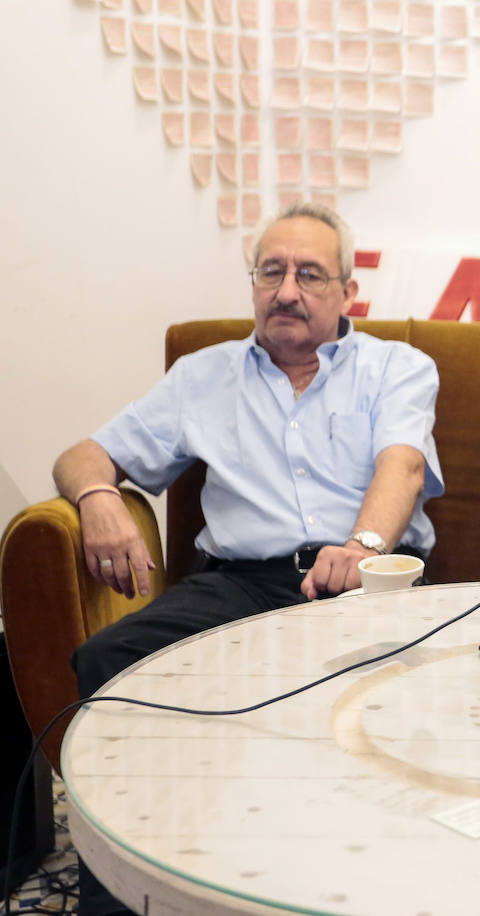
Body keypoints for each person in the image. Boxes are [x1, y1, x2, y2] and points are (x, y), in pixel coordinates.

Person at [55, 202, 443, 914]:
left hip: (370, 583)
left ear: (348, 291)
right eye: (272, 271)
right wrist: (97, 496)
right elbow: (82, 454)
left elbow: (404, 467)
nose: (287, 290)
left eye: (310, 274)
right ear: (254, 282)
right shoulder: (203, 376)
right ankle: (127, 893)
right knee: (108, 661)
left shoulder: (396, 366)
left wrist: (363, 546)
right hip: (240, 586)